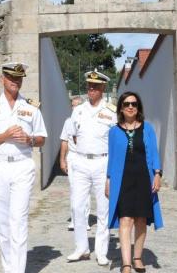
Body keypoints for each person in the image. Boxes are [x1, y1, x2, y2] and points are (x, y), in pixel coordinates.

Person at [0, 62, 47, 273]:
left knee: (19, 220)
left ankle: (18, 269)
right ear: (2, 80)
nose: (15, 82)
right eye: (11, 78)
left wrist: (30, 139)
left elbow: (42, 138)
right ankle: (9, 268)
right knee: (3, 221)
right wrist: (4, 136)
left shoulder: (31, 107)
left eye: (19, 78)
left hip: (22, 166)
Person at [106, 91, 164, 273]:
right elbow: (112, 157)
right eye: (126, 104)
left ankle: (137, 257)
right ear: (121, 108)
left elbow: (154, 153)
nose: (130, 107)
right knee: (125, 219)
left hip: (143, 179)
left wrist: (157, 174)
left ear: (138, 108)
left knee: (140, 219)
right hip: (122, 180)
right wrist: (108, 180)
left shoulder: (148, 128)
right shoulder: (113, 132)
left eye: (134, 104)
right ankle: (125, 263)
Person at [66, 69, 116, 266]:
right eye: (89, 86)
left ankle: (101, 251)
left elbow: (115, 142)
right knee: (78, 207)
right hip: (81, 161)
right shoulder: (77, 110)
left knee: (103, 208)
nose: (91, 90)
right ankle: (81, 248)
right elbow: (74, 136)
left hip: (102, 162)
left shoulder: (111, 112)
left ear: (103, 88)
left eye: (95, 87)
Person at [59, 96, 91, 231]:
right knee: (74, 189)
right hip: (73, 157)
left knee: (86, 190)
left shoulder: (89, 120)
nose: (75, 108)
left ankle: (85, 220)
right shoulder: (68, 122)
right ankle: (74, 219)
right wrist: (62, 159)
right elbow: (64, 141)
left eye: (77, 105)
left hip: (85, 156)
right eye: (73, 105)